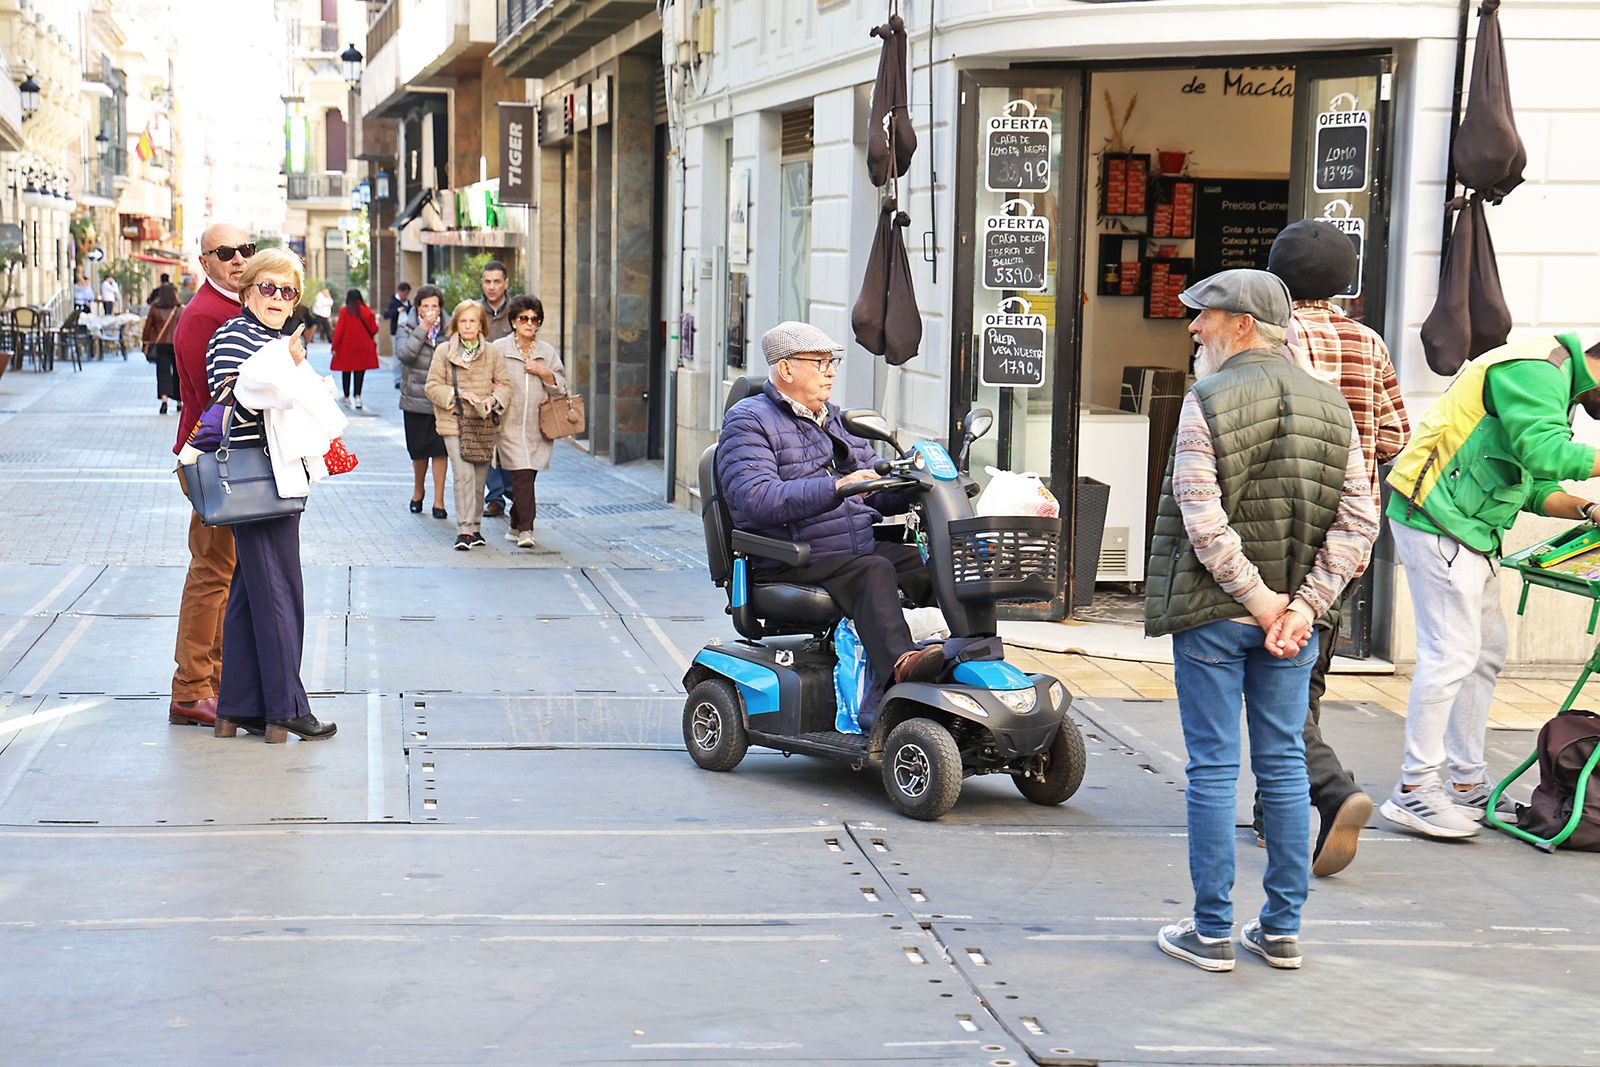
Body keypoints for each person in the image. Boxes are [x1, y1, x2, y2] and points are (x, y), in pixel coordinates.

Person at [1146, 269, 1377, 973]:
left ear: (1242, 325)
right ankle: (1281, 929)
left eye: (1204, 316)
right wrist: (1303, 605)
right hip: (1291, 624)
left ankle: (1211, 929)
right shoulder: (1334, 408)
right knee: (1281, 765)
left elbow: (1200, 512)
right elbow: (1361, 521)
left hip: (1218, 613)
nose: (1193, 327)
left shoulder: (1206, 399)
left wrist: (1261, 598)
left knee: (1214, 767)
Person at [1383, 329, 1600, 839]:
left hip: (1470, 527)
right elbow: (1547, 454)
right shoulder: (1536, 369)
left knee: (1484, 655)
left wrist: (1586, 508)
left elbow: (1536, 483)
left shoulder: (1555, 383)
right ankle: (1414, 791)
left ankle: (1466, 786)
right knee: (1452, 655)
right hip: (1437, 517)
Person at [1245, 219, 1412, 877]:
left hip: (1277, 540)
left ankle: (1331, 788)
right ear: (1346, 279)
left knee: (1266, 683)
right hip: (1347, 542)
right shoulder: (1368, 342)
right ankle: (1274, 810)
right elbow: (1396, 436)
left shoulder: (1270, 339)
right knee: (1306, 675)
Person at [716, 321, 945, 690]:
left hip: (852, 548)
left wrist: (918, 483)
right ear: (787, 368)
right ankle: (902, 669)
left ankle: (967, 657)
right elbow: (756, 499)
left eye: (832, 362)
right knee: (874, 570)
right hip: (796, 557)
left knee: (937, 565)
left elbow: (874, 490)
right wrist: (835, 487)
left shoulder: (838, 420)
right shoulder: (748, 421)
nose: (831, 372)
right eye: (820, 363)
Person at [207, 247, 338, 743]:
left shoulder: (267, 336)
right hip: (259, 475)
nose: (278, 298)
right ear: (248, 290)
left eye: (289, 292)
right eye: (269, 288)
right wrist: (291, 368)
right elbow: (239, 392)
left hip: (270, 475)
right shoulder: (241, 335)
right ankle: (285, 707)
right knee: (282, 591)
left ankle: (236, 706)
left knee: (250, 592)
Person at [168, 223, 256, 729]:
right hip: (212, 459)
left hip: (226, 460)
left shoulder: (232, 308)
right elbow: (214, 401)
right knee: (211, 572)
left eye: (246, 249)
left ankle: (214, 681)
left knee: (224, 573)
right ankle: (192, 688)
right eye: (226, 252)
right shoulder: (206, 314)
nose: (239, 259)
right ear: (206, 261)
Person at [424, 301, 511, 551]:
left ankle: (475, 526)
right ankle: (463, 530)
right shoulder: (443, 351)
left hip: (482, 423)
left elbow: (505, 384)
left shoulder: (493, 352)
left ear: (481, 324)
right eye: (463, 321)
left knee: (479, 477)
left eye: (472, 321)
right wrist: (460, 394)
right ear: (456, 324)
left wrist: (492, 400)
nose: (468, 325)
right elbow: (431, 386)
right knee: (463, 475)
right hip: (453, 419)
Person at [493, 294, 567, 548]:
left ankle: (515, 522)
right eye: (524, 318)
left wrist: (543, 372)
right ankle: (527, 530)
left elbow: (562, 389)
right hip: (508, 424)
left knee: (527, 477)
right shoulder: (499, 349)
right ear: (514, 321)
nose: (529, 323)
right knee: (522, 476)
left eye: (534, 319)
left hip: (538, 428)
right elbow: (487, 377)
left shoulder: (547, 352)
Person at [397, 284, 450, 520]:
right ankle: (418, 491)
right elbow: (405, 355)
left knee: (441, 450)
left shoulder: (450, 330)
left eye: (435, 306)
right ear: (418, 308)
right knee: (418, 451)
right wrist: (423, 329)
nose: (430, 311)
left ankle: (439, 500)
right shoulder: (406, 327)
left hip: (442, 400)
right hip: (415, 400)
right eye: (426, 306)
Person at [479, 260, 514, 517]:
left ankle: (513, 490)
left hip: (511, 389)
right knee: (486, 444)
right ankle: (495, 497)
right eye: (487, 282)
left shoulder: (517, 311)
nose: (492, 287)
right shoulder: (475, 311)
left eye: (496, 282)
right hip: (481, 390)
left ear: (505, 283)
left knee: (510, 444)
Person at [331, 287, 379, 409]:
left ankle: (346, 396)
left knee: (346, 371)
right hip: (363, 347)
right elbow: (374, 329)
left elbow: (339, 330)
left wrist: (334, 346)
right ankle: (358, 397)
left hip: (346, 347)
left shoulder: (343, 311)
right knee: (360, 372)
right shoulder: (367, 311)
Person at [143, 284, 182, 415]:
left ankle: (164, 401)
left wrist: (145, 342)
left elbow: (148, 327)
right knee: (178, 373)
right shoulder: (179, 309)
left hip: (161, 344)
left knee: (163, 372)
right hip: (176, 344)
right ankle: (179, 402)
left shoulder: (155, 308)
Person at [384, 281, 413, 389]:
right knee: (396, 356)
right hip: (395, 332)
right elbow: (386, 315)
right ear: (400, 291)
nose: (406, 296)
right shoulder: (393, 302)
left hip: (407, 331)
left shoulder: (407, 302)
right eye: (405, 293)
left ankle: (405, 378)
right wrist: (397, 310)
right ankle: (397, 379)